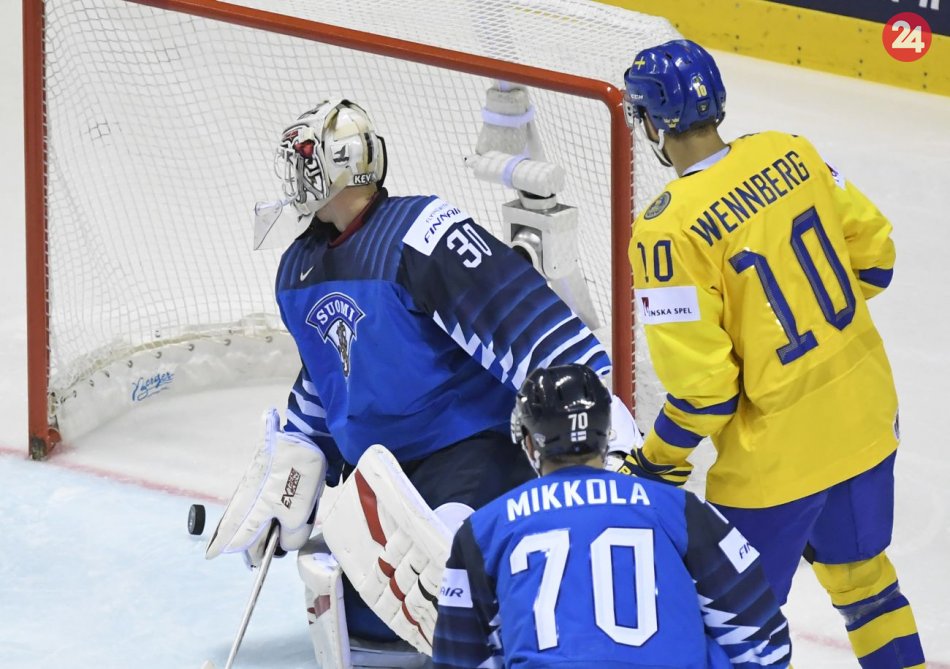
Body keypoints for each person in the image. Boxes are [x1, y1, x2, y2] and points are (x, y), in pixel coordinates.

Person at [202, 99, 636, 666]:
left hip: (473, 452)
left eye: (304, 158)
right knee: (361, 615)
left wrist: (599, 429)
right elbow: (329, 372)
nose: (294, 175)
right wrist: (302, 450)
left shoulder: (422, 233)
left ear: (337, 164)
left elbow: (531, 328)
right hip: (383, 476)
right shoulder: (297, 270)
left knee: (451, 588)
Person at [618, 39, 925, 669]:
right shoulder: (791, 151)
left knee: (732, 624)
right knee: (865, 583)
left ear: (652, 122)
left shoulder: (665, 230)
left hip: (777, 459)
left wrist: (656, 462)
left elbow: (705, 391)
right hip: (866, 418)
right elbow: (877, 260)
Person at [431, 363, 791, 668]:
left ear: (529, 442)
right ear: (607, 436)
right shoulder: (679, 510)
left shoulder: (483, 530)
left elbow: (458, 658)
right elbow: (765, 642)